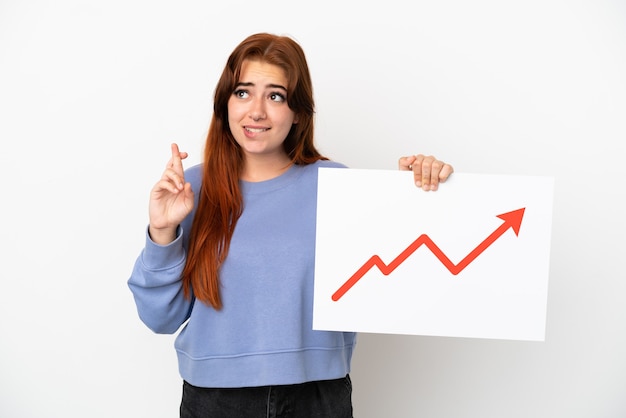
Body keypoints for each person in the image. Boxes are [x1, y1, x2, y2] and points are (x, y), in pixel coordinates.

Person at [128, 32, 453, 418]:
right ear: (225, 104)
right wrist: (162, 233)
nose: (257, 111)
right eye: (243, 93)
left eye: (275, 96)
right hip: (215, 400)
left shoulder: (339, 185)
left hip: (316, 396)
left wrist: (417, 193)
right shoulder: (190, 189)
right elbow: (159, 318)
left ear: (298, 111)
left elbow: (402, 271)